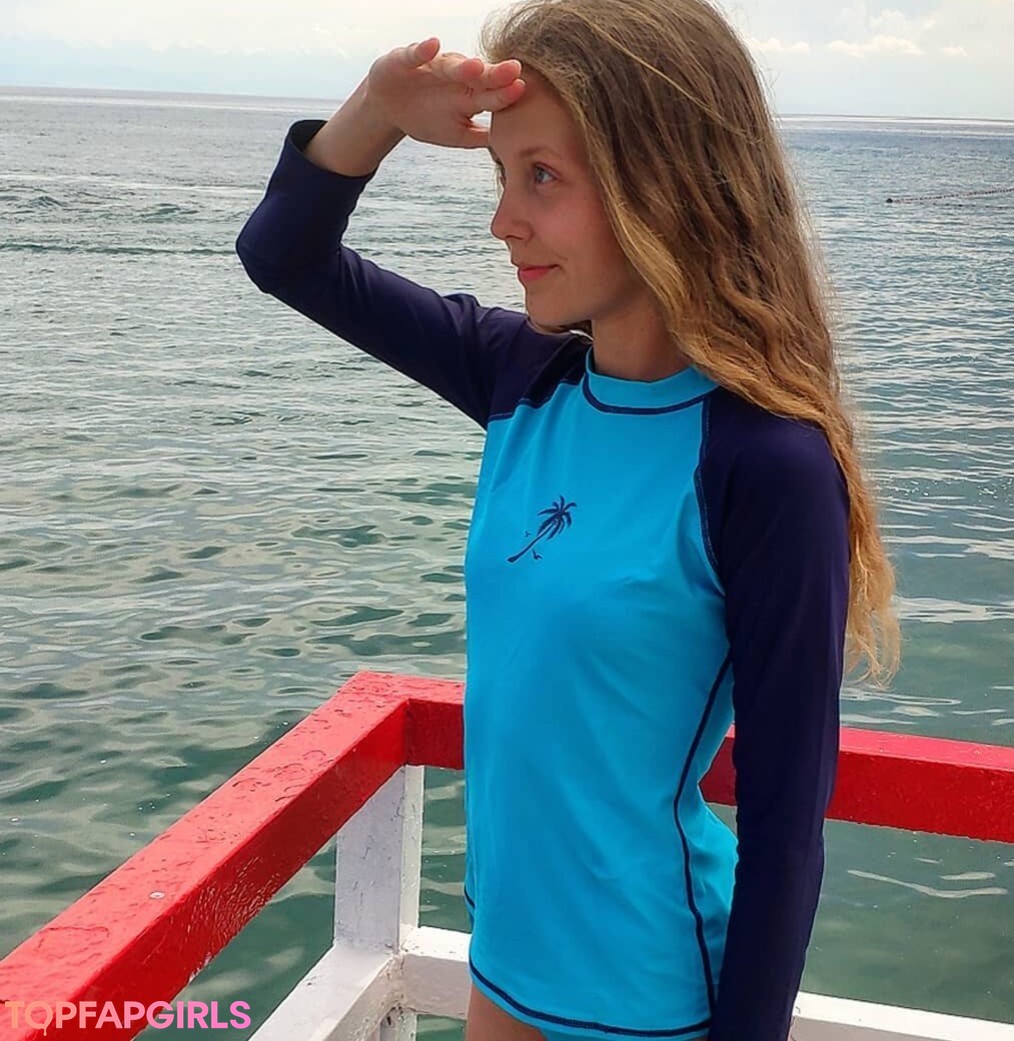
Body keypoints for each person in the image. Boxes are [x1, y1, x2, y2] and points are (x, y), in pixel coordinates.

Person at [235, 1, 901, 1038]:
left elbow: (784, 827)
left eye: (542, 176)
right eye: (503, 178)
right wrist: (380, 106)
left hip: (649, 999)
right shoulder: (524, 376)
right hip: (503, 970)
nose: (505, 221)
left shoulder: (764, 462)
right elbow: (285, 254)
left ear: (665, 185)